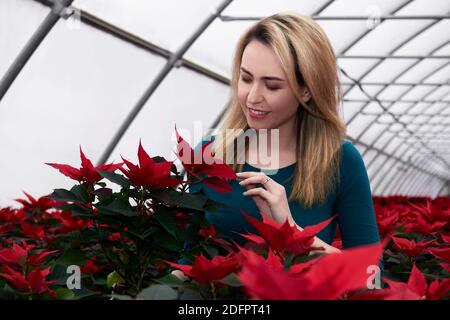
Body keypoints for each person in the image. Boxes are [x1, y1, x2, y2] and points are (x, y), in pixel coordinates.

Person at [173, 12, 380, 279]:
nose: (253, 97)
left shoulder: (340, 161)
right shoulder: (209, 154)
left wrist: (291, 232)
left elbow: (372, 278)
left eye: (272, 86)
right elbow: (188, 257)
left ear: (307, 90)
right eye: (246, 79)